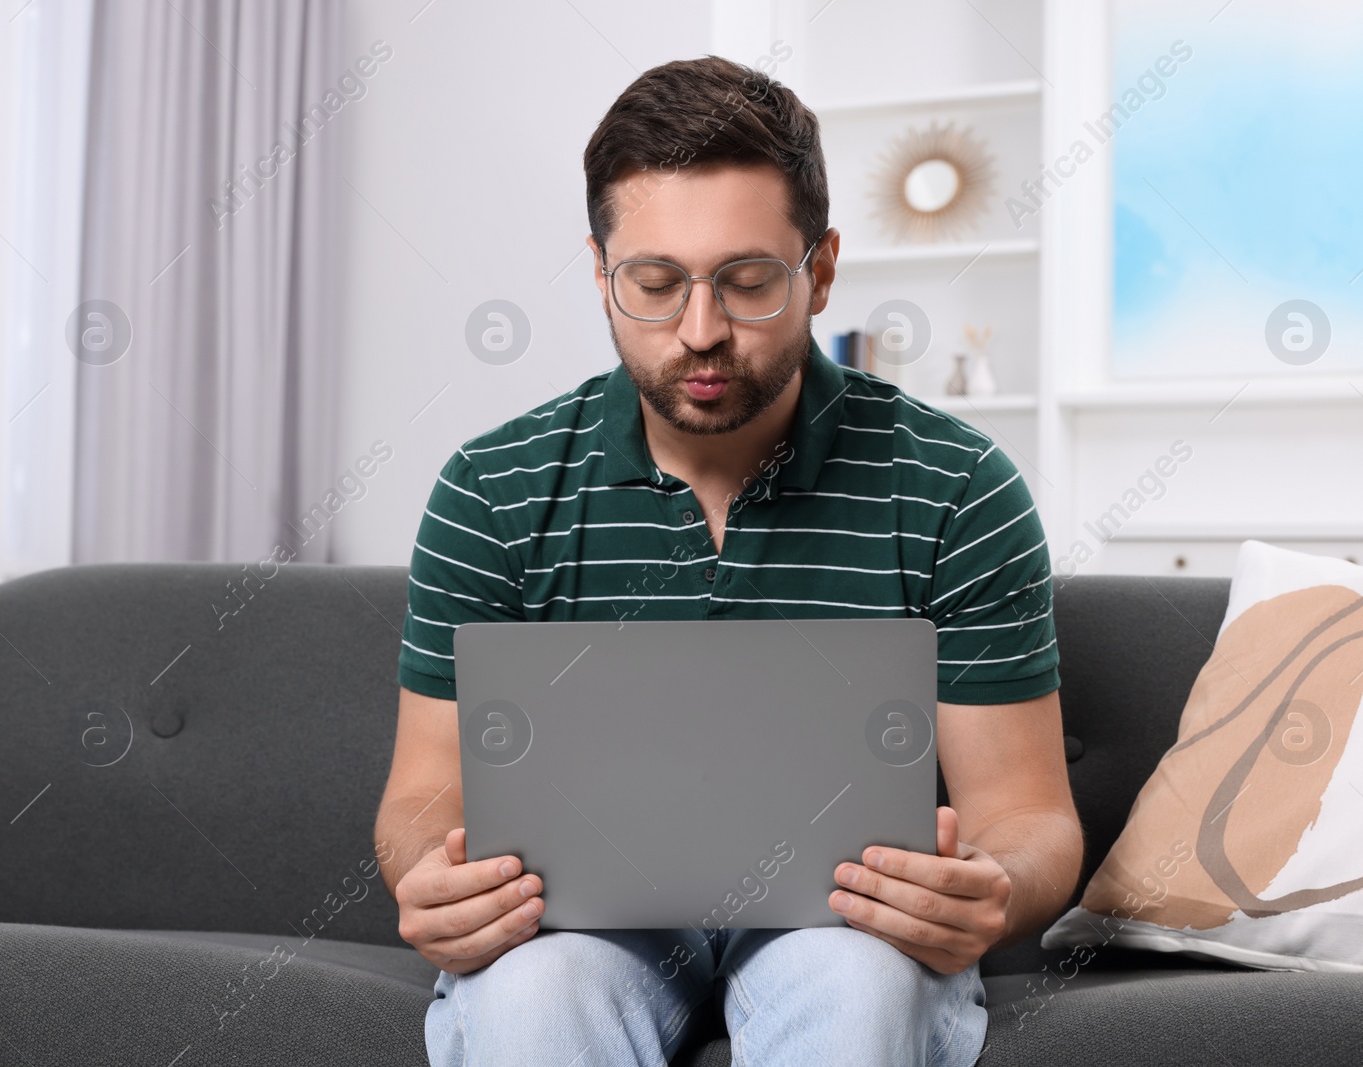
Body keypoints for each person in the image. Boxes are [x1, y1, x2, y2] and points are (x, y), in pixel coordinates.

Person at [375, 55, 1082, 1066]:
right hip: (579, 925)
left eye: (746, 283)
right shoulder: (495, 487)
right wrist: (427, 879)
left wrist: (995, 886)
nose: (699, 332)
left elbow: (1029, 816)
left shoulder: (956, 484)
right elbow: (421, 796)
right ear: (600, 272)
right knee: (533, 996)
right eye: (654, 285)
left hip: (838, 920)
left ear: (820, 270)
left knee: (856, 987)